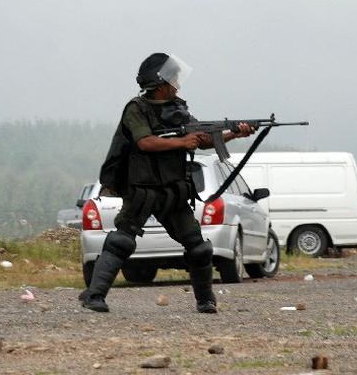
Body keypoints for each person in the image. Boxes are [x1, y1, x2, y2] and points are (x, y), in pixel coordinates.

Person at [79, 53, 255, 313]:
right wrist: (181, 143)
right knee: (122, 241)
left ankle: (205, 300)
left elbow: (202, 137)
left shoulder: (177, 109)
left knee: (197, 246)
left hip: (172, 191)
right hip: (142, 190)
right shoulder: (136, 109)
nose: (176, 83)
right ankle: (94, 296)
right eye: (172, 78)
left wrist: (233, 134)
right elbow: (145, 142)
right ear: (159, 83)